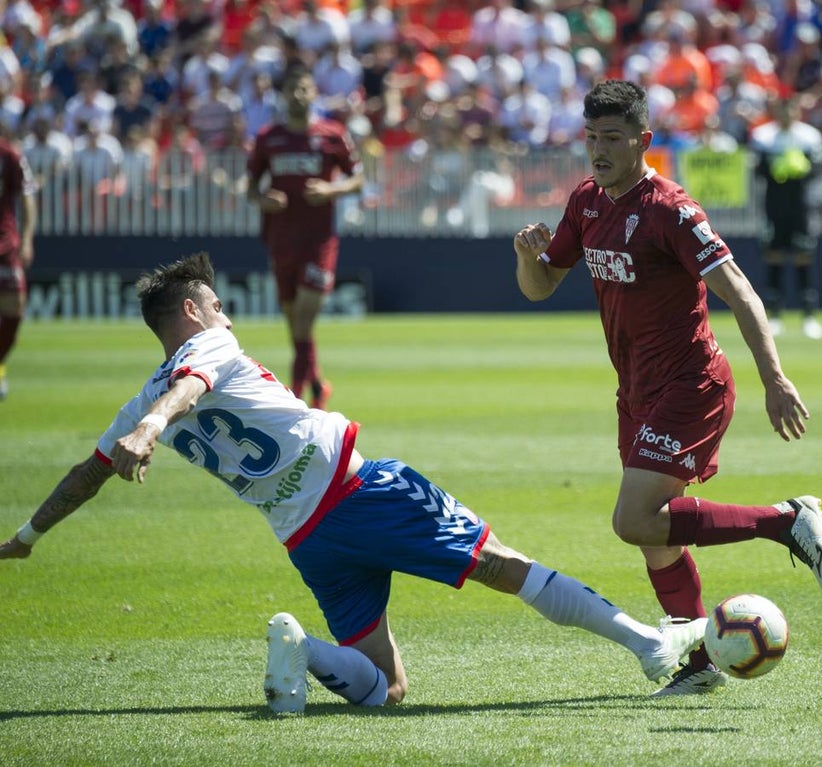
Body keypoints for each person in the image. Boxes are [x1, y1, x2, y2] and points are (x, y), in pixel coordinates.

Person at [0, 252, 707, 713]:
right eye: (217, 304)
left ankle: (305, 652)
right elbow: (190, 387)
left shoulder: (134, 402)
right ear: (193, 312)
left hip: (307, 541)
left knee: (387, 691)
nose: (226, 315)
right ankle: (651, 648)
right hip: (361, 493)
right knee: (502, 563)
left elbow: (85, 477)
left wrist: (29, 534)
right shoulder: (205, 348)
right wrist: (155, 427)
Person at [513, 80, 822, 696]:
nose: (599, 150)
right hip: (636, 390)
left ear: (644, 141)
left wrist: (775, 378)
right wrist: (528, 256)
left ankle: (784, 520)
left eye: (613, 138)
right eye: (592, 137)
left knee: (635, 518)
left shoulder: (670, 208)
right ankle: (701, 665)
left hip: (692, 383)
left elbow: (740, 291)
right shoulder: (586, 201)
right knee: (656, 535)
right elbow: (540, 286)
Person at [246, 65, 364, 411]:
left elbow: (358, 179)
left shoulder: (333, 134)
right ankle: (317, 385)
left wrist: (331, 189)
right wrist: (264, 199)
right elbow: (251, 187)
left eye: (304, 89)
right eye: (292, 90)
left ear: (314, 93)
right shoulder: (268, 138)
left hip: (319, 240)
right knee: (295, 322)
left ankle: (296, 398)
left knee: (304, 317)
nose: (298, 96)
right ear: (283, 96)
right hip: (280, 238)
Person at [749, 95, 822, 340]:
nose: (787, 115)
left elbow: (816, 171)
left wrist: (800, 167)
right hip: (774, 207)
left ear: (797, 111)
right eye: (782, 110)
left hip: (801, 208)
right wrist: (775, 167)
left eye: (791, 109)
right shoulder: (763, 136)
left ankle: (809, 316)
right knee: (774, 256)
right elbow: (758, 171)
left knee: (804, 255)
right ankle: (774, 316)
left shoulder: (809, 137)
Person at [0, 135, 37, 400]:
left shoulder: (9, 155)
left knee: (15, 308)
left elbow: (27, 197)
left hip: (5, 244)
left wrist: (26, 239)